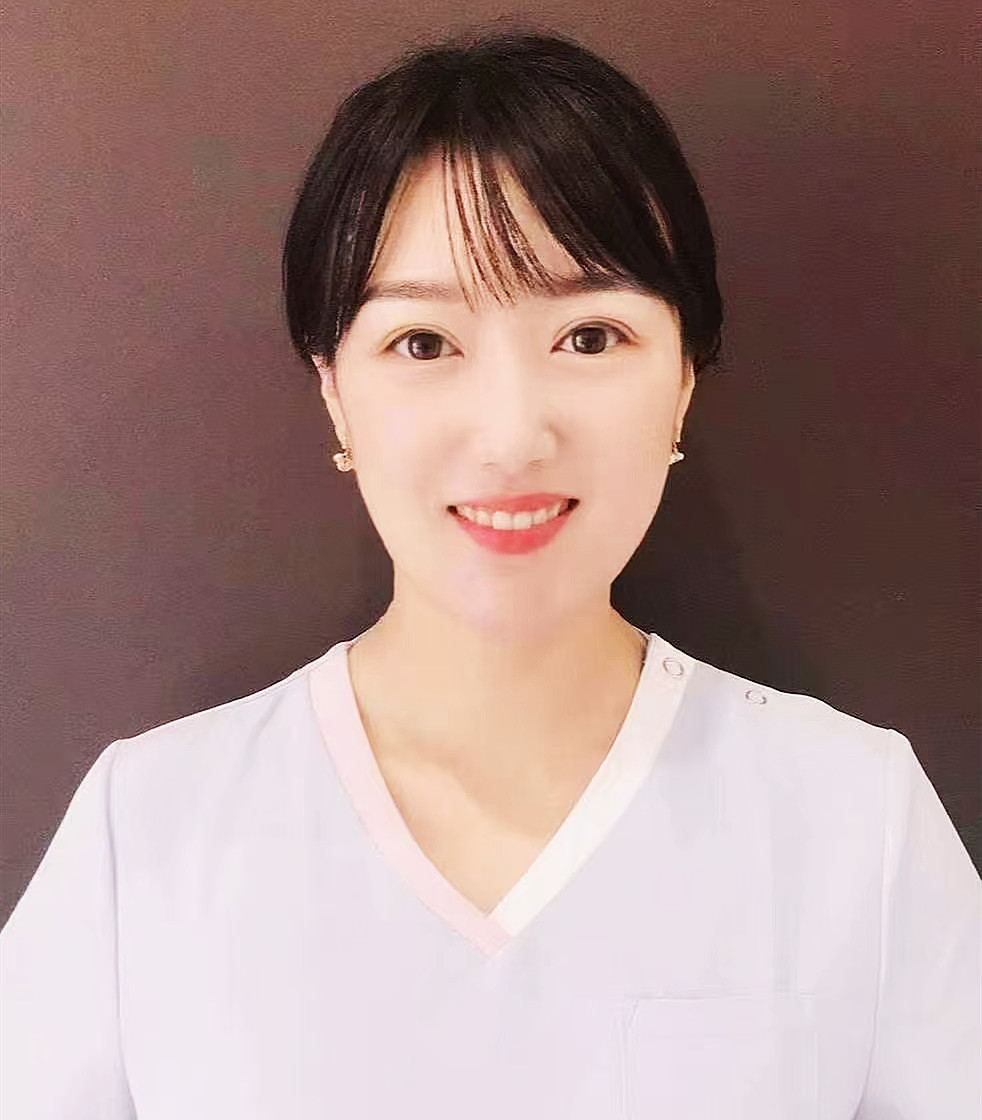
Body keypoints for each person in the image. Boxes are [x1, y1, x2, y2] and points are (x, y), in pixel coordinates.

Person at [1, 27, 979, 1120]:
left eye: (590, 336)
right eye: (424, 343)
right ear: (334, 392)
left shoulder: (855, 820)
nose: (512, 436)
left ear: (683, 382)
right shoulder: (150, 832)